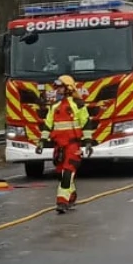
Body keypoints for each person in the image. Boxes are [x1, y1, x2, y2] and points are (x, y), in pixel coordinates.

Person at [35, 75, 97, 213]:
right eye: (57, 87)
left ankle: (61, 201)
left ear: (68, 88)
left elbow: (86, 123)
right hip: (59, 147)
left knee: (68, 173)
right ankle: (71, 195)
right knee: (60, 174)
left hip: (72, 146)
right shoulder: (54, 107)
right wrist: (41, 142)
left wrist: (88, 143)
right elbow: (47, 125)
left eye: (61, 87)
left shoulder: (78, 105)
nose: (57, 90)